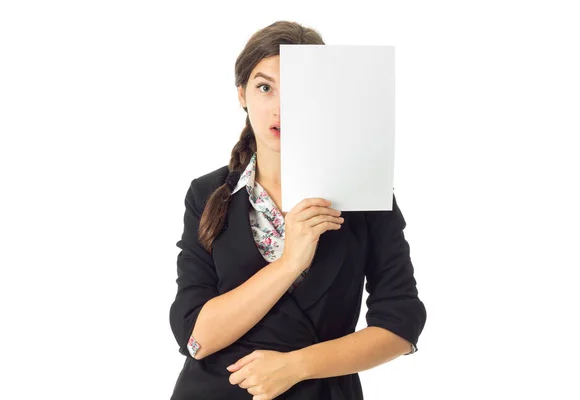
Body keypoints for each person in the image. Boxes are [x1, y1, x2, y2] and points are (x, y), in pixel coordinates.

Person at [169, 20, 427, 400]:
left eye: (298, 92)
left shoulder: (365, 193)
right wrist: (289, 262)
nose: (280, 108)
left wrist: (295, 367)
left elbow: (401, 325)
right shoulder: (207, 193)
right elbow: (194, 338)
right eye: (264, 87)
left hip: (322, 392)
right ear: (241, 94)